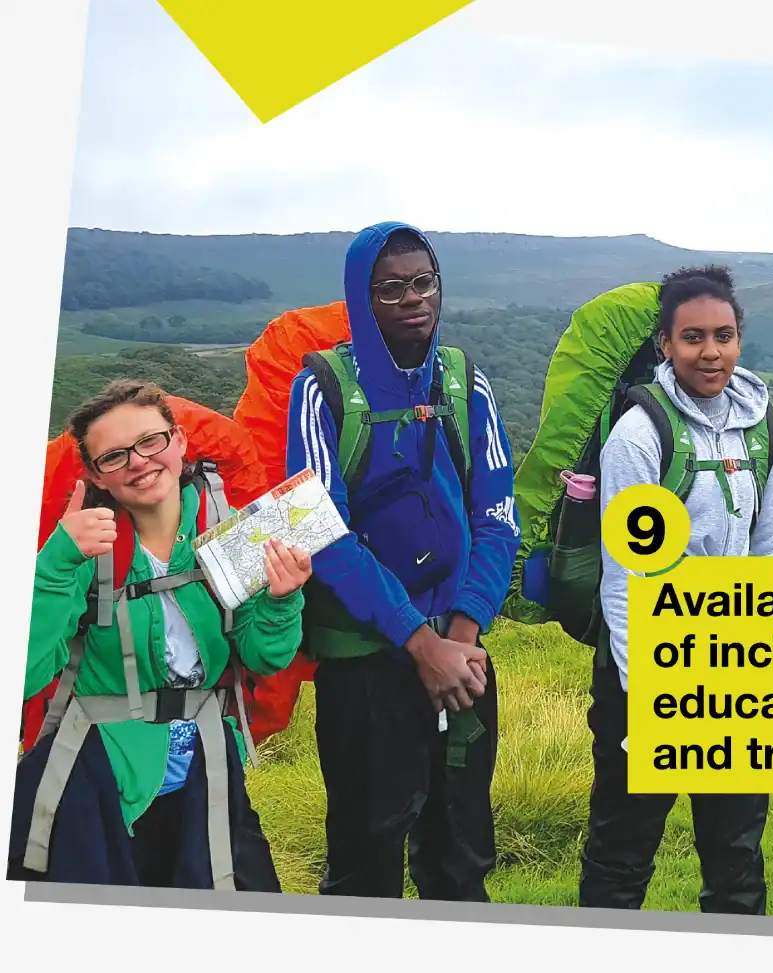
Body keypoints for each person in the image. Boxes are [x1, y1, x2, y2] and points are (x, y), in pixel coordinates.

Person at [285, 221, 520, 901]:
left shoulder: (464, 381)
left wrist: (462, 634)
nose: (413, 298)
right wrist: (420, 643)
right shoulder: (321, 388)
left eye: (424, 282)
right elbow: (320, 530)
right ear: (363, 297)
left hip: (462, 653)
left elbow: (497, 517)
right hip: (365, 661)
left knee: (462, 855)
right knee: (366, 860)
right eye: (390, 289)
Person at [8, 379, 311, 888]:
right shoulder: (83, 545)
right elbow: (25, 674)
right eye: (114, 456)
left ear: (179, 442)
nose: (139, 462)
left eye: (151, 441)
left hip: (206, 765)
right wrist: (57, 562)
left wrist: (282, 599)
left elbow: (264, 657)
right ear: (94, 474)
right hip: (97, 767)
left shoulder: (234, 531)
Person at [578, 265, 773, 913]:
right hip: (649, 664)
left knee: (736, 858)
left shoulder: (761, 427)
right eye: (693, 336)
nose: (711, 351)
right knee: (623, 852)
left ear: (739, 338)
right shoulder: (642, 435)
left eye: (724, 335)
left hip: (732, 662)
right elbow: (625, 580)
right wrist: (650, 694)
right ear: (665, 344)